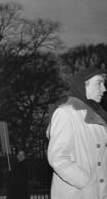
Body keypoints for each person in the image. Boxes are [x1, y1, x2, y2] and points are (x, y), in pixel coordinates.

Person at [47, 66, 107, 198]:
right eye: (99, 83)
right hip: (79, 193)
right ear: (83, 85)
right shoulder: (66, 113)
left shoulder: (101, 116)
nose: (104, 89)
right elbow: (57, 158)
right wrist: (87, 182)